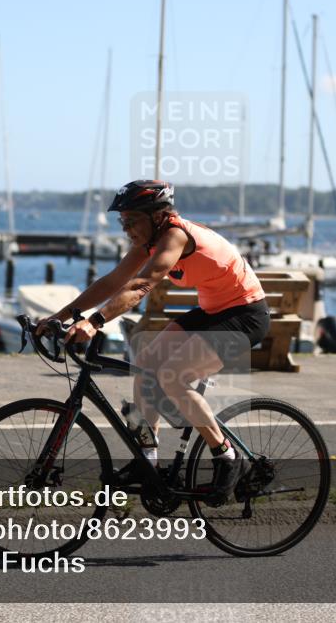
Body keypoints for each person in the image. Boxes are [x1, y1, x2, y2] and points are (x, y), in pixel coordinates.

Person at [36, 179, 269, 505]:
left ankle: (228, 457)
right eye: (122, 222)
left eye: (131, 220)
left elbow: (141, 285)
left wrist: (95, 322)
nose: (126, 228)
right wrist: (58, 318)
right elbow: (113, 281)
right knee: (145, 363)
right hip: (213, 311)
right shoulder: (149, 241)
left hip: (246, 316)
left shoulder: (175, 236)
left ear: (157, 216)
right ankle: (147, 459)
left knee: (173, 376)